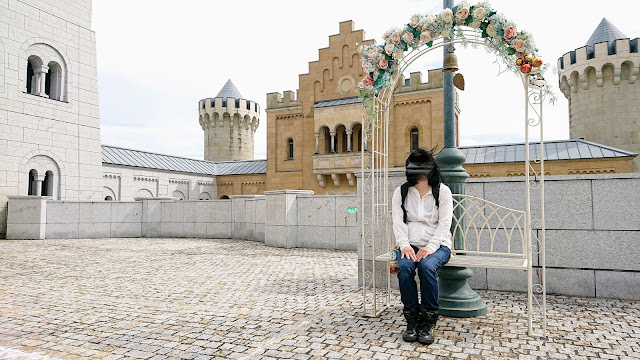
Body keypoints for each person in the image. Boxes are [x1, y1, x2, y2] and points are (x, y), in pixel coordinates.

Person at [392, 148, 453, 345]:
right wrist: (404, 245)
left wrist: (431, 247)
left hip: (438, 245)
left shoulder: (442, 191)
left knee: (427, 267)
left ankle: (428, 320)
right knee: (405, 268)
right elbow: (398, 222)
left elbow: (445, 223)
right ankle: (411, 319)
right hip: (409, 245)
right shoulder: (401, 192)